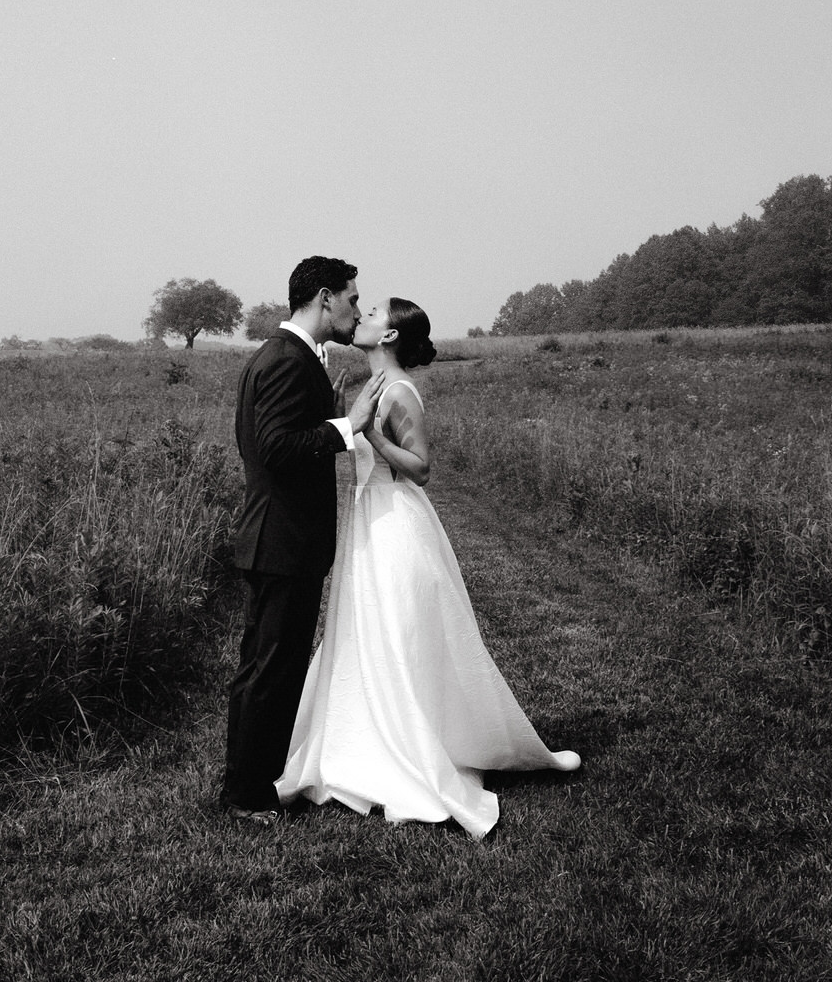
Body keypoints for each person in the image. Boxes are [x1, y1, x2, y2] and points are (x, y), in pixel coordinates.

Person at [275, 297, 580, 839]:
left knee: (400, 629)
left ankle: (417, 743)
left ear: (389, 338)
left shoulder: (398, 392)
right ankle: (362, 739)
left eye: (373, 315)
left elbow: (421, 469)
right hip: (368, 515)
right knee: (365, 630)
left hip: (396, 519)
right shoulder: (371, 387)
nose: (362, 317)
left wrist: (366, 432)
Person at [223, 256, 386, 826]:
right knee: (270, 668)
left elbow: (275, 439)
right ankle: (245, 794)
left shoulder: (290, 357)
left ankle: (251, 782)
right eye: (351, 298)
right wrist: (348, 425)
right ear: (324, 297)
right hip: (281, 541)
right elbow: (273, 449)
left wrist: (330, 415)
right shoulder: (288, 360)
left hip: (281, 539)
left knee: (272, 665)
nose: (357, 309)